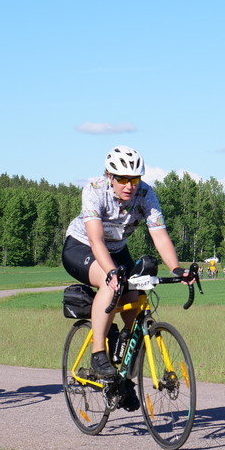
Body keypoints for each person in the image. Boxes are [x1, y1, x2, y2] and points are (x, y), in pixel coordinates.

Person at [62, 146, 191, 399]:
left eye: (134, 178)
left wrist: (176, 268)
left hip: (118, 249)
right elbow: (96, 240)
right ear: (109, 176)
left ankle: (122, 381)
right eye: (122, 178)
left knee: (134, 304)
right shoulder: (94, 190)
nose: (129, 185)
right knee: (110, 285)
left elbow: (160, 236)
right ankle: (99, 354)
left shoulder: (146, 194)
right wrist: (110, 272)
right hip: (82, 246)